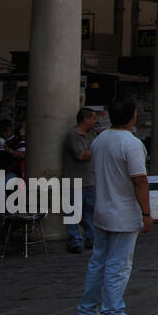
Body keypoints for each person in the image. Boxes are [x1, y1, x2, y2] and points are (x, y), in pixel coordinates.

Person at [76, 96, 151, 315]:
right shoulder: (131, 143)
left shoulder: (100, 140)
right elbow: (140, 181)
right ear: (133, 116)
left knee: (98, 261)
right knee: (119, 264)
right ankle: (112, 312)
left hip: (102, 209)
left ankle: (88, 310)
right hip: (123, 212)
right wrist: (146, 213)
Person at [63, 108, 98, 254]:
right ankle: (75, 240)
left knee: (89, 212)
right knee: (72, 212)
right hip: (73, 181)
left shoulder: (92, 134)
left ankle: (91, 238)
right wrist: (95, 151)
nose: (95, 122)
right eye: (93, 118)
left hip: (89, 180)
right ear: (86, 119)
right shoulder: (73, 135)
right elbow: (81, 155)